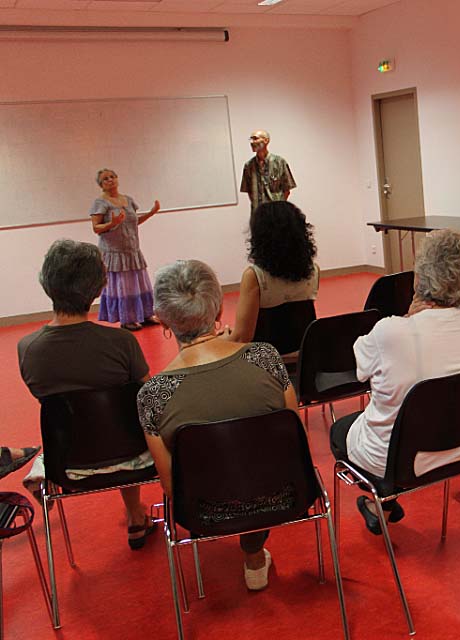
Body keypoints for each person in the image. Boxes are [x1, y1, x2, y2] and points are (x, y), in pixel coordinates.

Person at [137, 260, 296, 591]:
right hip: (283, 494)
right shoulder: (266, 357)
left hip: (204, 510)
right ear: (220, 305)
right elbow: (295, 445)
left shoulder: (152, 395)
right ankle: (253, 554)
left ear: (162, 319)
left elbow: (172, 488)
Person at [329, 229, 460, 535]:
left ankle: (382, 502)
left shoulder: (390, 331)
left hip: (400, 463)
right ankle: (383, 506)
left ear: (419, 279)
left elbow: (361, 367)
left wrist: (406, 319)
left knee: (341, 429)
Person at [18, 239, 156, 549]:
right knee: (121, 421)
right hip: (134, 455)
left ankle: (134, 513)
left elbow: (47, 399)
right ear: (98, 288)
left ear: (47, 284)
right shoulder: (122, 343)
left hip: (66, 462)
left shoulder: (28, 349)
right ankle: (135, 514)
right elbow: (147, 396)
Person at [227, 200, 319, 353]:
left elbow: (242, 338)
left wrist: (217, 340)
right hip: (303, 357)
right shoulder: (314, 271)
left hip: (266, 363)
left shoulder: (255, 276)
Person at [89, 168, 161, 332]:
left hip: (132, 249)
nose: (110, 180)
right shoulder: (100, 202)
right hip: (115, 252)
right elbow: (96, 228)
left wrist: (151, 213)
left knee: (140, 283)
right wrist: (111, 224)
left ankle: (146, 315)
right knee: (125, 286)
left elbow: (134, 222)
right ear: (101, 185)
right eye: (106, 178)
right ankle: (127, 319)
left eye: (113, 176)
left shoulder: (128, 200)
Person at [240, 130, 296, 213]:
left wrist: (278, 207)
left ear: (266, 140)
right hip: (258, 214)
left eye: (255, 139)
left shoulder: (280, 162)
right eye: (251, 139)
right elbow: (249, 191)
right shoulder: (248, 166)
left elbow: (287, 189)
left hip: (277, 214)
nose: (252, 142)